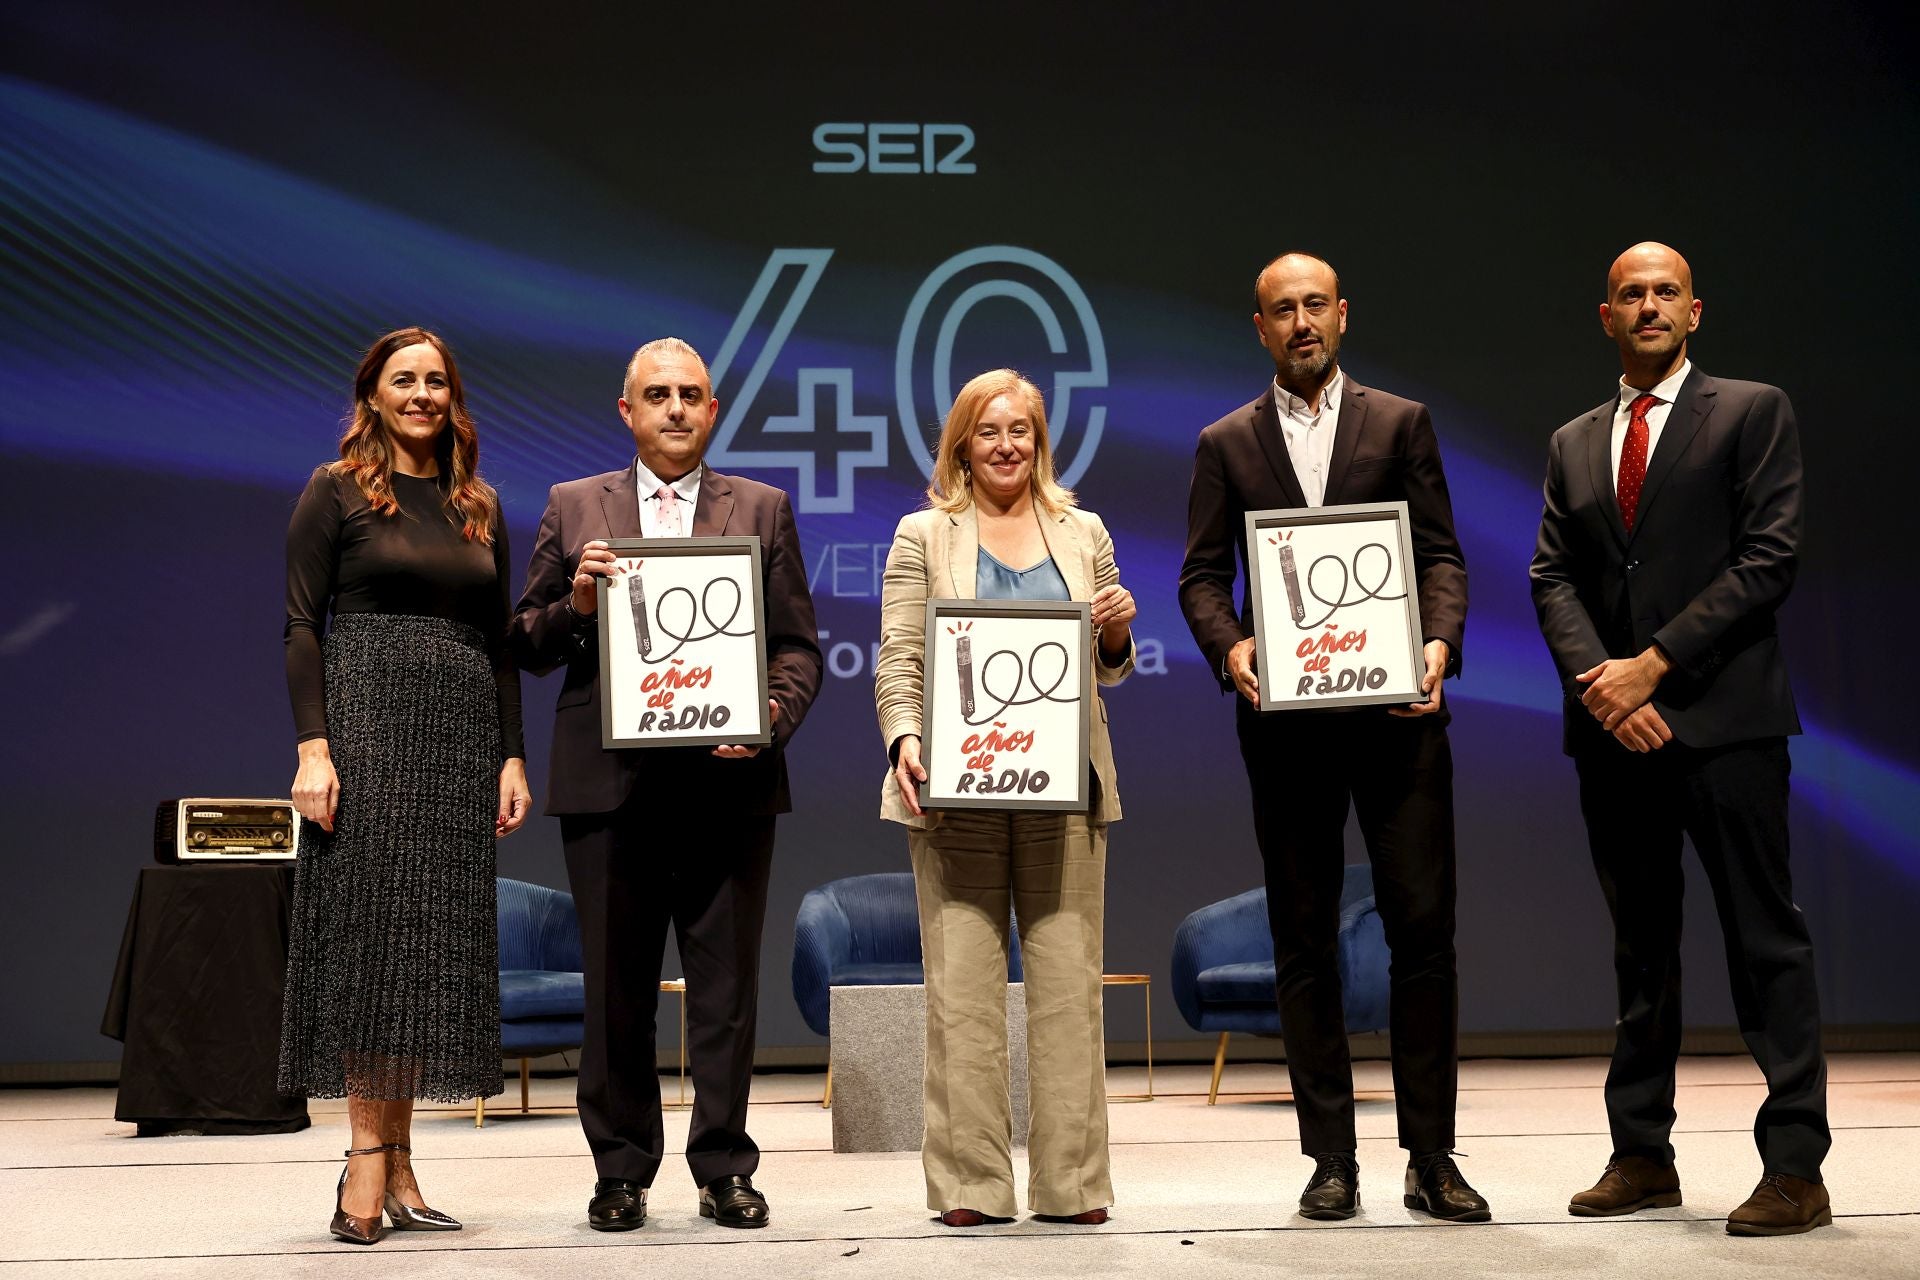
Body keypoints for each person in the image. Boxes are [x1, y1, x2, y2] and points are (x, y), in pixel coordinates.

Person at [1178, 253, 1485, 1223]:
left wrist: (1437, 643)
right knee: (1302, 942)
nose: (1302, 321)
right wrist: (1231, 650)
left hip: (1400, 722)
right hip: (1287, 735)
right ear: (1259, 327)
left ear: (1342, 314)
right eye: (1283, 310)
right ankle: (1331, 1158)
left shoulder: (1401, 422)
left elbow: (1439, 553)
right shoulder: (1225, 442)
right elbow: (1198, 577)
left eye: (1316, 304)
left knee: (1422, 935)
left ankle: (1431, 1157)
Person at [1530, 242, 1829, 1236]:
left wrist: (1651, 664)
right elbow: (1553, 578)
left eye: (1666, 292)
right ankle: (1642, 1152)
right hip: (1617, 734)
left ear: (1694, 311)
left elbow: (1767, 558)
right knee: (1641, 951)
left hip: (1726, 721)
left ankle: (1795, 1165)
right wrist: (1606, 690)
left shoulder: (1751, 410)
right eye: (1631, 293)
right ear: (1603, 313)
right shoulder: (1576, 439)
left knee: (1764, 939)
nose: (1649, 305)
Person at [512, 337, 821, 1232]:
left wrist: (768, 713)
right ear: (628, 412)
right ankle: (621, 1171)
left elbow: (798, 646)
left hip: (730, 790)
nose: (677, 408)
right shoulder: (576, 507)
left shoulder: (761, 508)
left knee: (724, 994)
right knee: (616, 994)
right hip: (610, 790)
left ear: (714, 410)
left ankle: (725, 1167)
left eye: (692, 394)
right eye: (658, 394)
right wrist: (575, 606)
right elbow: (525, 640)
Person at [280, 327, 532, 1246]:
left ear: (451, 397)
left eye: (435, 381)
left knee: (424, 947)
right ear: (373, 395)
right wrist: (315, 748)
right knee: (371, 941)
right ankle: (362, 1156)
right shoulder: (334, 488)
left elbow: (502, 646)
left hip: (459, 737)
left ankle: (402, 1159)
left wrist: (510, 756)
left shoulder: (480, 502)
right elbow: (302, 625)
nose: (420, 394)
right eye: (403, 380)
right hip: (368, 727)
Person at [876, 368, 1136, 1227]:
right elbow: (899, 659)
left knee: (1068, 993)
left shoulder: (1082, 529)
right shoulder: (923, 534)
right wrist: (906, 740)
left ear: (1039, 440)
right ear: (961, 443)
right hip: (957, 798)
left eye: (1020, 429)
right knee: (963, 998)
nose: (1006, 445)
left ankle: (1072, 1187)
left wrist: (1116, 629)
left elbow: (1108, 666)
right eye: (988, 431)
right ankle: (970, 1188)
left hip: (1064, 794)